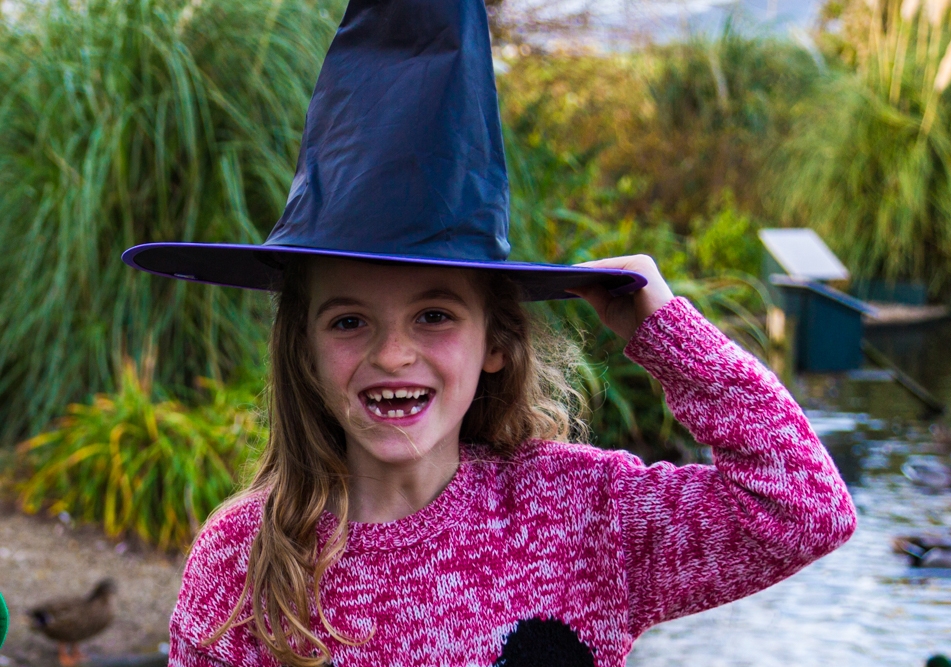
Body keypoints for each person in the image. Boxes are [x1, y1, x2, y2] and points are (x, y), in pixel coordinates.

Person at [122, 0, 857, 665]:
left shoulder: (581, 515)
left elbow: (803, 510)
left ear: (497, 342)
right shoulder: (242, 561)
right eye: (349, 320)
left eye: (434, 314)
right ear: (304, 352)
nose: (392, 353)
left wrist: (665, 332)